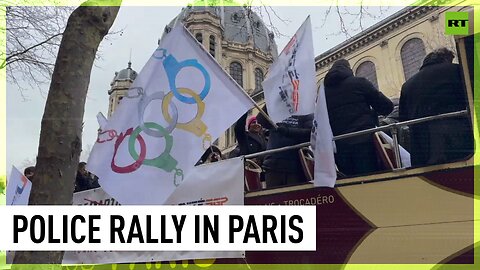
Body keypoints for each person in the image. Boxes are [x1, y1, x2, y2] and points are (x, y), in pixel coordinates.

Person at [399, 48, 473, 166]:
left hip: (422, 146)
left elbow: (403, 118)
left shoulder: (407, 85)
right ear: (446, 59)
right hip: (458, 140)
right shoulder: (456, 70)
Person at [324, 59, 393, 175]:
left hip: (339, 146)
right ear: (349, 69)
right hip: (364, 141)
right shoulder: (359, 83)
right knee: (371, 177)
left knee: (351, 182)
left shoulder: (323, 93)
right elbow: (386, 106)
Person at [257, 106, 313, 188]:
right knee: (273, 198)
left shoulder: (306, 109)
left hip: (295, 165)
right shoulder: (277, 107)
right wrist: (271, 99)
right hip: (273, 164)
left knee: (293, 198)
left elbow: (311, 133)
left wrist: (288, 131)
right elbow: (261, 119)